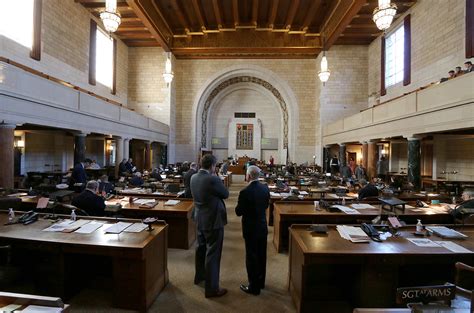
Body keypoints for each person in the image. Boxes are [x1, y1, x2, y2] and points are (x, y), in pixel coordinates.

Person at [190, 154, 229, 298]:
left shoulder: (194, 177)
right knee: (213, 253)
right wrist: (217, 177)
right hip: (213, 220)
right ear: (213, 165)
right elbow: (225, 194)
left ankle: (199, 276)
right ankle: (212, 289)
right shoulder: (212, 178)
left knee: (200, 248)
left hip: (199, 218)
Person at [235, 165, 270, 296]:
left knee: (251, 257)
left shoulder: (245, 192)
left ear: (248, 176)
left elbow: (238, 212)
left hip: (250, 228)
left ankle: (254, 287)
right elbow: (266, 205)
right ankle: (261, 282)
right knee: (262, 255)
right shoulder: (265, 188)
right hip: (262, 226)